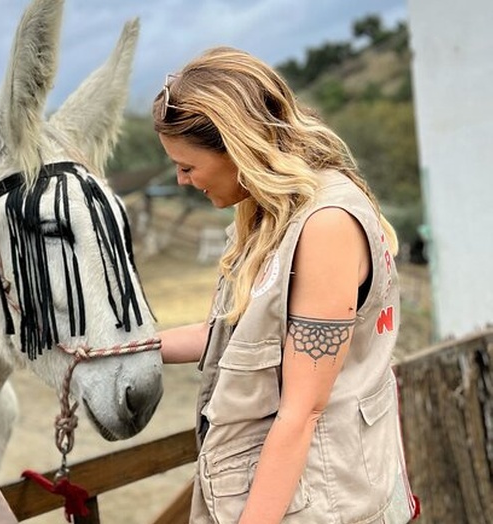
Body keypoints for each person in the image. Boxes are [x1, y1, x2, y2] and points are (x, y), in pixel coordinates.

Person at [152, 47, 419, 523]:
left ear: (237, 147)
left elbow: (301, 413)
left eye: (188, 166)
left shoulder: (326, 225)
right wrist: (125, 348)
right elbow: (231, 336)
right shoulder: (273, 213)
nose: (181, 180)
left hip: (326, 503)